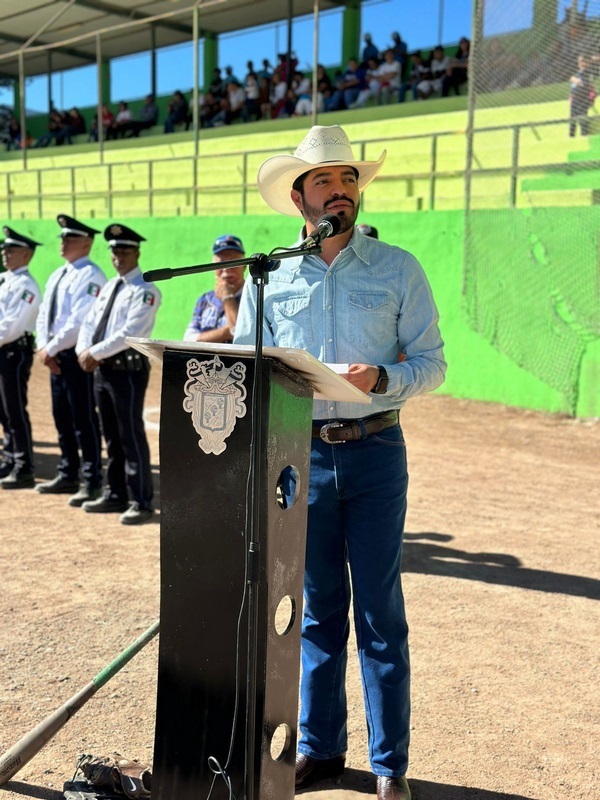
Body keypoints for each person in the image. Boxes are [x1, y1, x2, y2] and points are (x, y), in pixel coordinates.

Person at [234, 125, 446, 800]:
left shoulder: (399, 268)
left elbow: (433, 364)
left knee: (380, 614)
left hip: (377, 451)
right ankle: (321, 752)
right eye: (325, 180)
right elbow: (245, 363)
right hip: (302, 460)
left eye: (349, 179)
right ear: (299, 198)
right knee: (319, 611)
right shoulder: (272, 277)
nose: (341, 190)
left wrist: (380, 379)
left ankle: (390, 768)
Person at [76, 223, 161, 525]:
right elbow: (90, 322)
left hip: (127, 371)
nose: (118, 256)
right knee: (110, 434)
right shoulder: (110, 286)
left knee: (130, 435)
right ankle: (115, 494)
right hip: (103, 369)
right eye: (114, 251)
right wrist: (83, 350)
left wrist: (93, 353)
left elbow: (130, 332)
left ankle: (141, 500)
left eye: (124, 250)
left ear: (137, 252)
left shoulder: (146, 290)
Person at [35, 215, 105, 506]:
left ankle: (91, 480)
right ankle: (68, 471)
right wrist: (44, 347)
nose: (63, 242)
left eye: (70, 238)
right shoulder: (57, 274)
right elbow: (43, 315)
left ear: (87, 243)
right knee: (61, 416)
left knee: (83, 419)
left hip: (75, 356)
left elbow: (79, 321)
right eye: (62, 238)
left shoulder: (92, 276)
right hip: (54, 354)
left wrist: (50, 348)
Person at [0, 227, 42, 489]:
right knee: (3, 410)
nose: (5, 253)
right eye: (5, 249)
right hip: (3, 349)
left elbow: (12, 326)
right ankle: (9, 456)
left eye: (12, 249)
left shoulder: (27, 286)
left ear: (26, 255)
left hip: (14, 351)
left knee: (15, 409)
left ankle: (23, 464)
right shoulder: (5, 279)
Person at [183, 234, 245, 343]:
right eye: (221, 263)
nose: (226, 269)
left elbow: (241, 335)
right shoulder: (204, 300)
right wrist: (225, 332)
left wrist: (228, 297)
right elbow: (188, 339)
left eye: (234, 262)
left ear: (244, 266)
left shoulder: (254, 297)